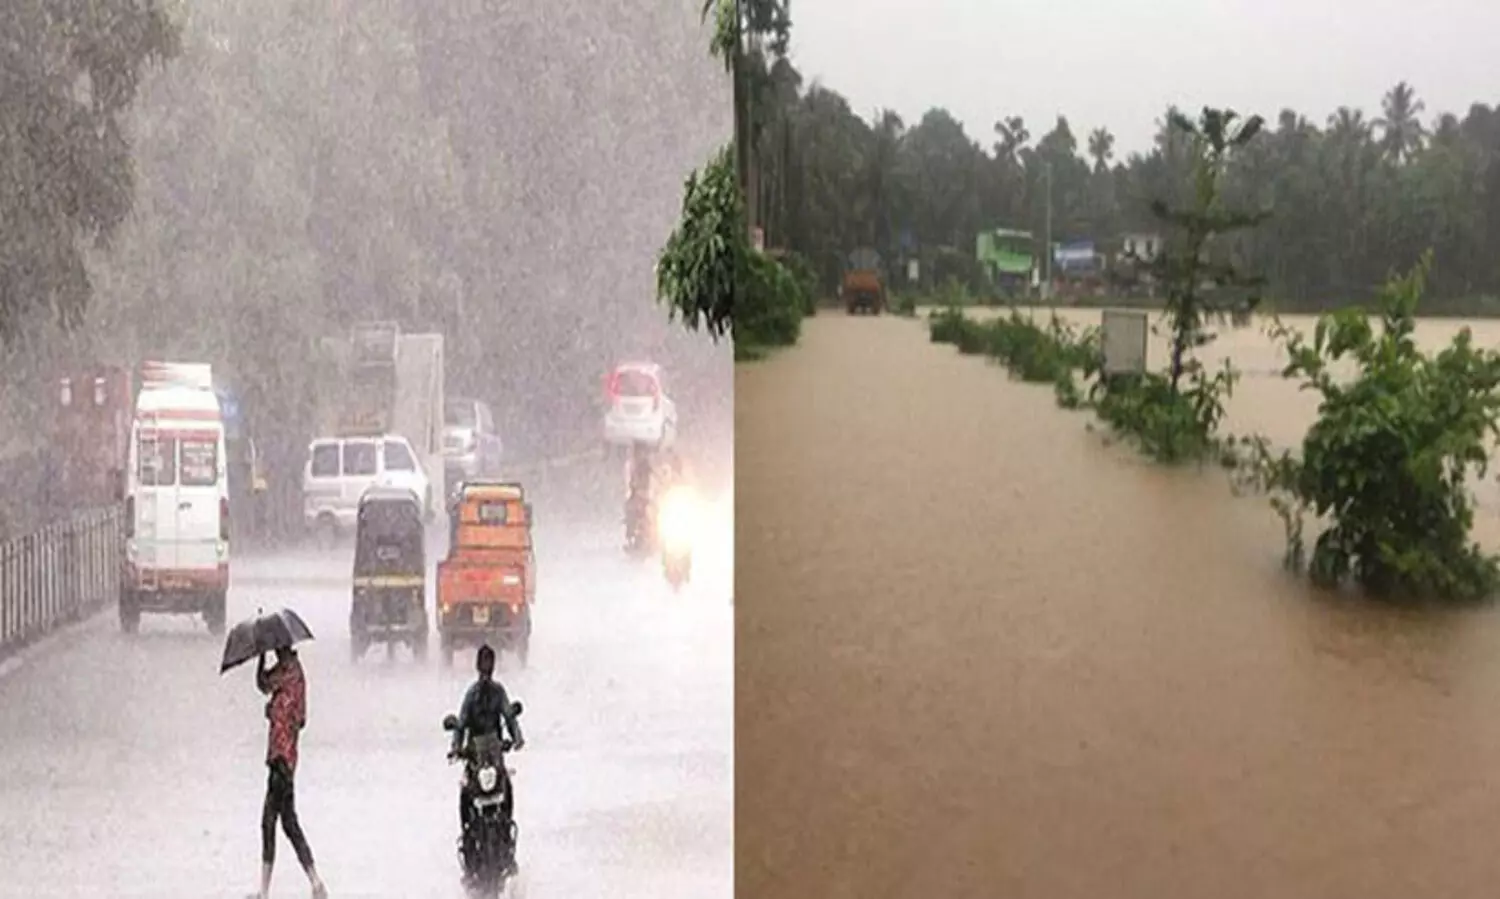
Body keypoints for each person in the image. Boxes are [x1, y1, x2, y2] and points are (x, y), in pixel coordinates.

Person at [255, 647, 328, 899]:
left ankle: (265, 892)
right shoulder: (287, 672)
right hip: (282, 759)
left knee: (269, 823)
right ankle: (316, 882)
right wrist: (261, 659)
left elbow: (293, 714)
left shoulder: (291, 674)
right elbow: (264, 685)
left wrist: (275, 709)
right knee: (288, 823)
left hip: (282, 760)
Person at [449, 644, 525, 866]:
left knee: (507, 786)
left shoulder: (499, 692)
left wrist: (516, 738)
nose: (486, 668)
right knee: (465, 792)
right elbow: (461, 724)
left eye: (489, 663)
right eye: (483, 663)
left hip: (494, 758)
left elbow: (510, 716)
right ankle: (467, 841)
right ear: (477, 666)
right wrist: (457, 747)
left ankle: (508, 845)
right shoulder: (471, 695)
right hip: (475, 759)